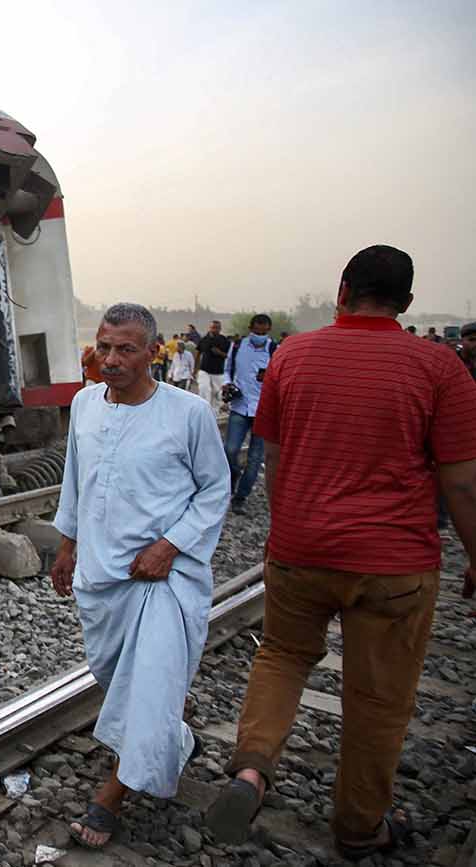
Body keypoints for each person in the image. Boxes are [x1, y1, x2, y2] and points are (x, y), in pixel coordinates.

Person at [204, 246, 476, 861]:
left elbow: (270, 455)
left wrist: (286, 524)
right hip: (394, 562)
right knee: (379, 696)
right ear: (405, 304)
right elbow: (461, 481)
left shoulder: (293, 355)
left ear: (342, 289)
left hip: (301, 550)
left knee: (281, 657)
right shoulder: (438, 367)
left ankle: (250, 770)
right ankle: (359, 826)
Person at [50, 302, 230, 849]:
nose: (111, 359)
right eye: (104, 347)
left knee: (147, 687)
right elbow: (76, 482)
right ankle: (171, 730)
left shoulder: (188, 413)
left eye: (126, 349)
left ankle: (112, 796)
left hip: (162, 580)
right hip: (102, 576)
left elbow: (214, 490)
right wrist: (67, 545)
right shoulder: (84, 405)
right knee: (116, 678)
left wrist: (170, 546)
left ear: (153, 352)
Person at [221, 314, 274, 514]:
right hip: (240, 406)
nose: (259, 335)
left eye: (263, 332)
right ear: (250, 328)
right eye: (256, 331)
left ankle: (240, 497)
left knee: (254, 459)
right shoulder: (237, 347)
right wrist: (227, 383)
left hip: (263, 410)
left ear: (268, 331)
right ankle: (233, 475)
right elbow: (227, 369)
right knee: (230, 450)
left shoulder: (274, 349)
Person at [195, 320, 230, 413]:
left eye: (216, 328)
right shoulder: (204, 339)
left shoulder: (224, 340)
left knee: (217, 394)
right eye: (212, 327)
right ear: (209, 328)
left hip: (218, 372)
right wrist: (195, 370)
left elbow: (229, 356)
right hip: (204, 370)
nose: (214, 330)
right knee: (204, 388)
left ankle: (214, 413)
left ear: (220, 329)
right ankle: (203, 410)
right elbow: (198, 354)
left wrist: (220, 353)